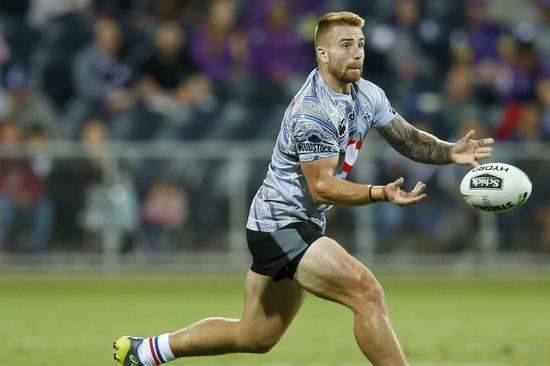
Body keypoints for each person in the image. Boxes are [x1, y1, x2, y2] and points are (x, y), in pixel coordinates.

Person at [113, 11, 493, 366]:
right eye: (346, 45)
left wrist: (448, 151)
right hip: (280, 225)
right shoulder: (313, 112)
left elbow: (407, 139)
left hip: (293, 224)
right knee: (366, 292)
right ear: (322, 54)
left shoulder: (366, 93)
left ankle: (145, 352)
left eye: (360, 43)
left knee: (256, 335)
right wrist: (380, 193)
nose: (357, 52)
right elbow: (323, 188)